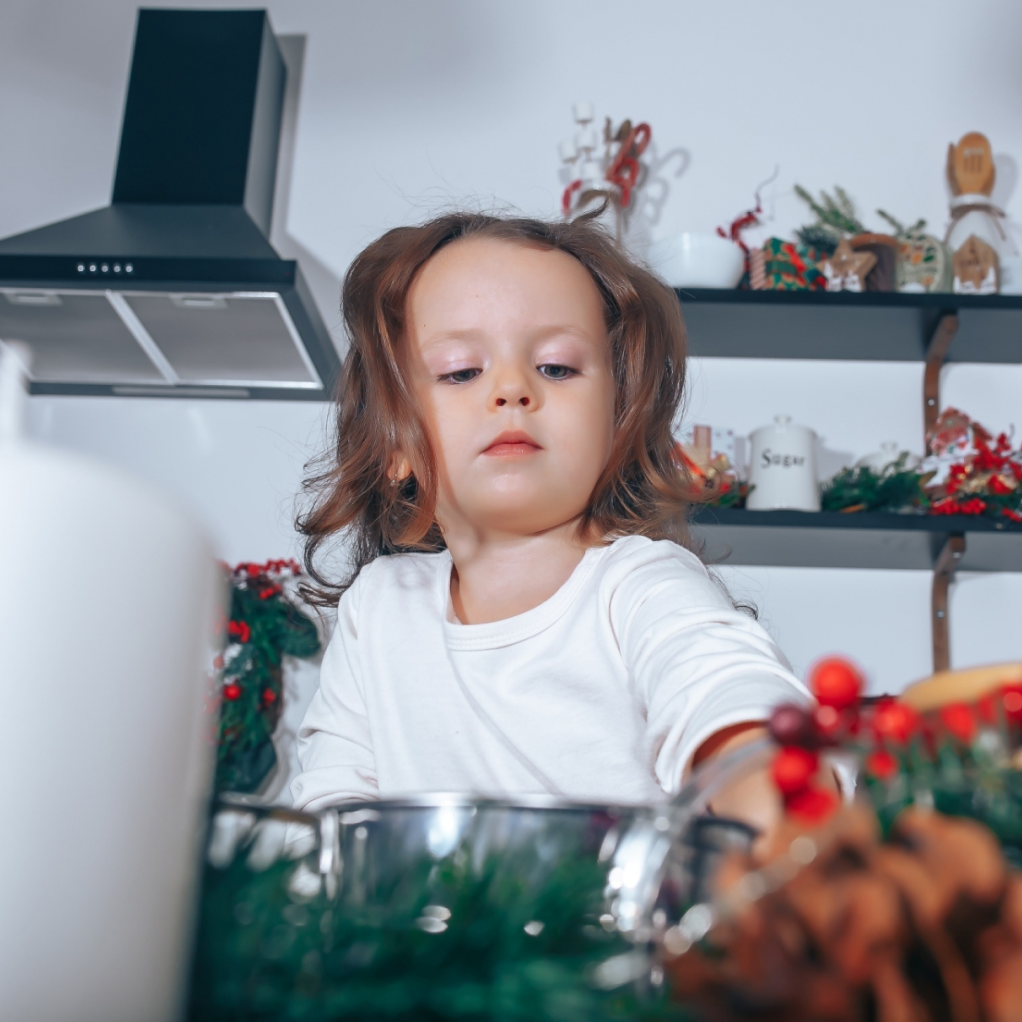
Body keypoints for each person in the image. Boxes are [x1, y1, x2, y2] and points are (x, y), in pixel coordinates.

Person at [289, 210, 810, 828]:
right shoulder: (378, 609)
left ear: (616, 424)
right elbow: (329, 807)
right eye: (461, 370)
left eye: (557, 367)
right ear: (397, 447)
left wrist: (765, 780)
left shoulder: (642, 586)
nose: (512, 388)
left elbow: (724, 688)